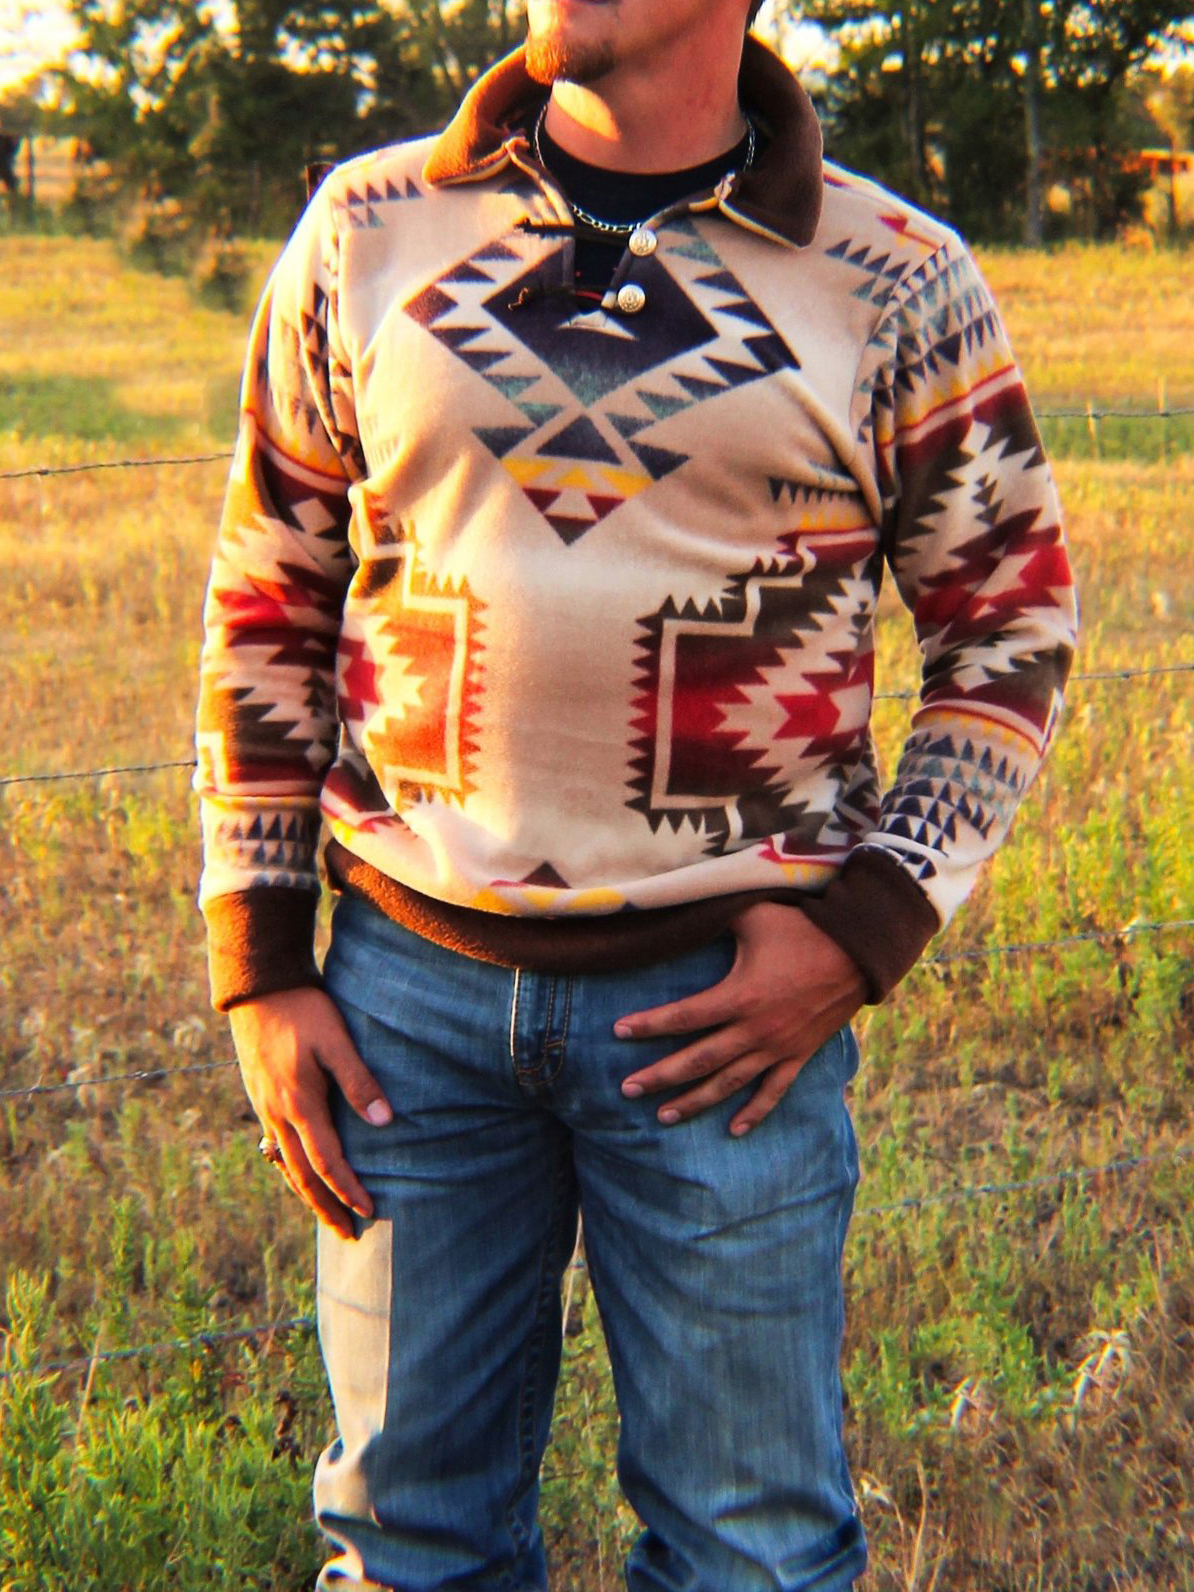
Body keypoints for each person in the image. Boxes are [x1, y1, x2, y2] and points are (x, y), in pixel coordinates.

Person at [194, 0, 1077, 1584]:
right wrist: (260, 962)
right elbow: (271, 598)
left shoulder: (892, 276)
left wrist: (864, 928)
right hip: (403, 1006)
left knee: (749, 1554)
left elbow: (1007, 633)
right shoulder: (366, 227)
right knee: (404, 1549)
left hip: (723, 1019)